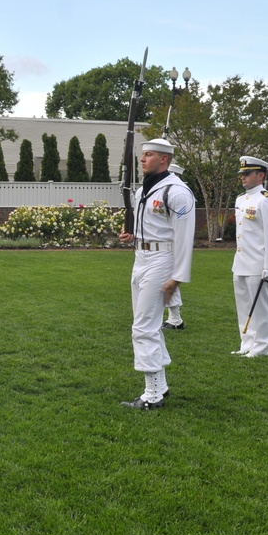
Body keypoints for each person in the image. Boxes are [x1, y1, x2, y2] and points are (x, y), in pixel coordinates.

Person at [117, 138, 196, 409]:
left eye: (148, 155)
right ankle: (160, 385)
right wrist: (133, 236)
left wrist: (177, 277)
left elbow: (184, 238)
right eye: (142, 155)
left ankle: (152, 395)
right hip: (141, 256)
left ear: (164, 159)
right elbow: (150, 225)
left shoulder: (177, 192)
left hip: (162, 260)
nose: (142, 159)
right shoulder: (144, 190)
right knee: (146, 324)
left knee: (143, 327)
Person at [231, 156, 268, 358]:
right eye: (242, 174)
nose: (243, 177)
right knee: (243, 306)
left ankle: (261, 347)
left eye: (247, 173)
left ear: (260, 176)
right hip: (241, 261)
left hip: (258, 263)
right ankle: (247, 343)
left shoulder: (266, 200)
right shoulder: (241, 199)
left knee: (260, 308)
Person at [162, 163, 191, 331]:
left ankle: (175, 318)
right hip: (163, 244)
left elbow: (181, 221)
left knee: (171, 280)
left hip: (173, 244)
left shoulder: (181, 194)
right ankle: (173, 317)